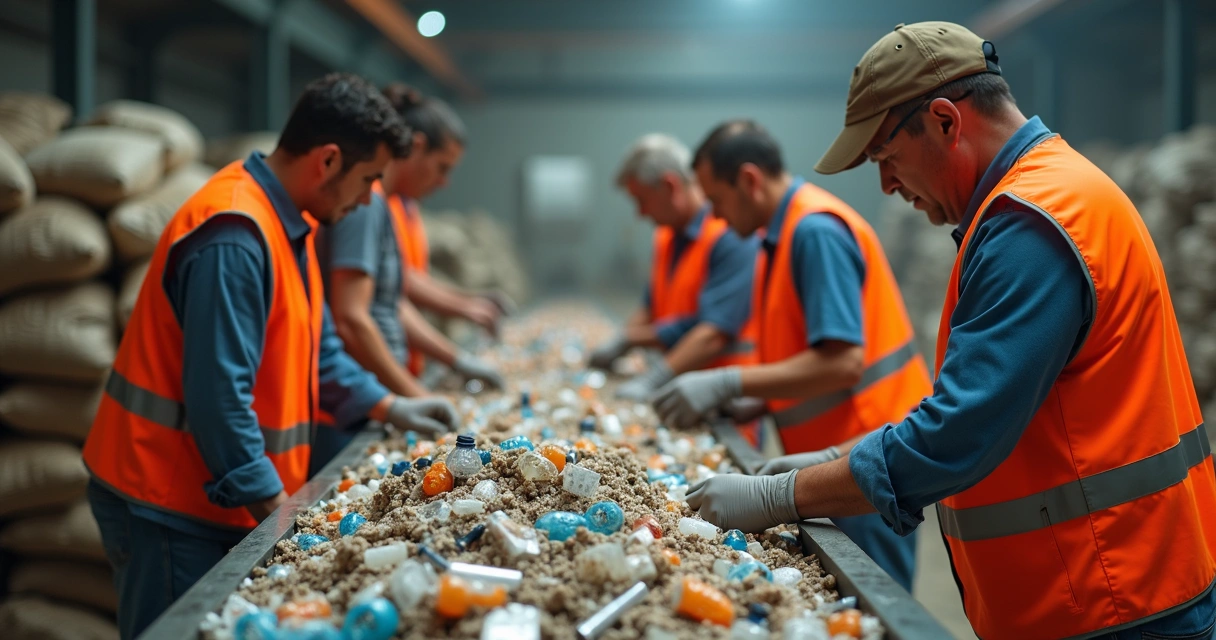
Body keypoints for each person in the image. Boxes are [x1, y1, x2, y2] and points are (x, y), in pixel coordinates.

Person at [677, 22, 1216, 640]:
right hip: (1113, 585)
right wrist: (835, 459)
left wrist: (784, 496)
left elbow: (960, 433)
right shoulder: (1049, 195)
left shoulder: (1030, 227)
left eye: (886, 158)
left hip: (1115, 597)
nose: (887, 184)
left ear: (944, 122)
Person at [82, 73, 460, 639]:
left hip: (214, 494)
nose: (367, 200)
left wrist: (388, 405)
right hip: (166, 498)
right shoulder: (235, 235)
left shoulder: (288, 224)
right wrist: (279, 514)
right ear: (328, 161)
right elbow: (219, 400)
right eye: (367, 180)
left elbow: (320, 351)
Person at [652, 120, 930, 591]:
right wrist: (759, 401)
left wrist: (729, 382)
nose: (714, 216)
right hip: (836, 461)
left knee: (876, 595)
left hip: (869, 454)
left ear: (749, 180)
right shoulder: (779, 236)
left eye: (716, 200)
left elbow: (843, 362)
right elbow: (806, 349)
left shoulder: (814, 233)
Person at [588, 133, 759, 402]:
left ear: (670, 186)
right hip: (677, 391)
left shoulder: (730, 234)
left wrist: (654, 376)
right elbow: (651, 306)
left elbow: (714, 332)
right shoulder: (666, 236)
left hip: (723, 399)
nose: (640, 213)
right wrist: (622, 339)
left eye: (642, 200)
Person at [376, 83, 512, 379]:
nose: (443, 182)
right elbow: (380, 300)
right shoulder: (371, 203)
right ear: (417, 147)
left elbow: (402, 276)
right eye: (442, 167)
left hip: (395, 371)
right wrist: (457, 358)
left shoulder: (402, 206)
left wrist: (469, 300)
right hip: (376, 378)